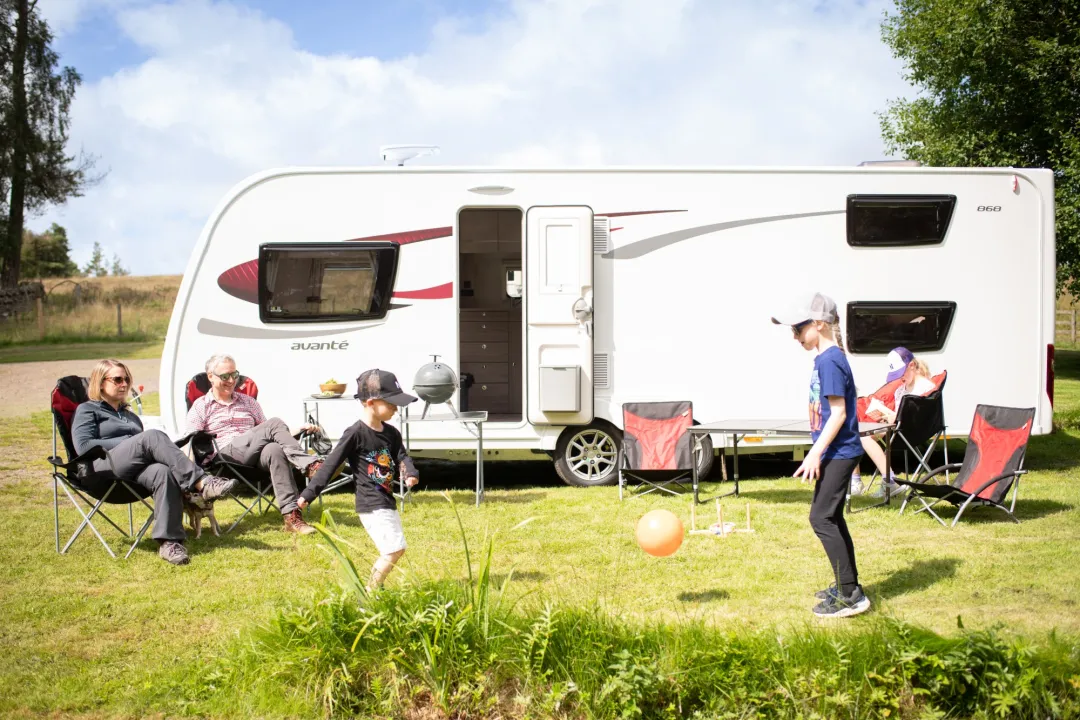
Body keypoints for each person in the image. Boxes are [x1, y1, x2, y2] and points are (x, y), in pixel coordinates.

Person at [71, 359, 237, 566]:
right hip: (100, 469)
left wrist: (140, 445)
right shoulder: (87, 410)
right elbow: (83, 446)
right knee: (151, 436)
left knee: (161, 472)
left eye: (127, 379)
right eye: (117, 379)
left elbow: (141, 450)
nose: (124, 384)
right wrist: (129, 442)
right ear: (100, 382)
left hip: (131, 472)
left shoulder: (130, 416)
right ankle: (202, 483)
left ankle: (169, 543)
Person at [772, 292, 871, 618]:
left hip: (839, 452)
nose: (795, 336)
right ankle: (847, 585)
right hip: (836, 451)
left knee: (821, 518)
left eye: (798, 328)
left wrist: (814, 453)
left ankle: (851, 595)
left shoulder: (830, 361)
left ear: (819, 324)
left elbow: (839, 414)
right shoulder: (826, 359)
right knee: (831, 517)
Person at [297, 369, 419, 592]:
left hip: (386, 500)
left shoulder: (391, 433)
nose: (396, 408)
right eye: (391, 403)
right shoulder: (355, 433)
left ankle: (374, 590)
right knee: (394, 549)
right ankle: (371, 592)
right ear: (371, 402)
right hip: (370, 502)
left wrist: (410, 472)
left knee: (395, 549)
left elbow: (401, 456)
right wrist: (308, 494)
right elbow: (331, 464)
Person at [185, 353, 322, 535]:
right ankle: (310, 465)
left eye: (235, 375)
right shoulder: (201, 406)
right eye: (225, 376)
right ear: (211, 376)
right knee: (274, 422)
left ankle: (292, 518)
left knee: (274, 449)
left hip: (254, 458)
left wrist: (299, 429)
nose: (231, 380)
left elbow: (270, 432)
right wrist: (191, 478)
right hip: (225, 459)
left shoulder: (248, 402)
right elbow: (190, 440)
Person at [853, 347, 936, 497]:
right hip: (896, 427)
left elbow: (916, 417)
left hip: (912, 431)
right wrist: (884, 416)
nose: (900, 378)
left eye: (901, 373)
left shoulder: (926, 387)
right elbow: (898, 414)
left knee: (864, 438)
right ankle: (856, 481)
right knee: (855, 432)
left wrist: (893, 418)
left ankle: (890, 481)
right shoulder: (900, 390)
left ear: (912, 366)